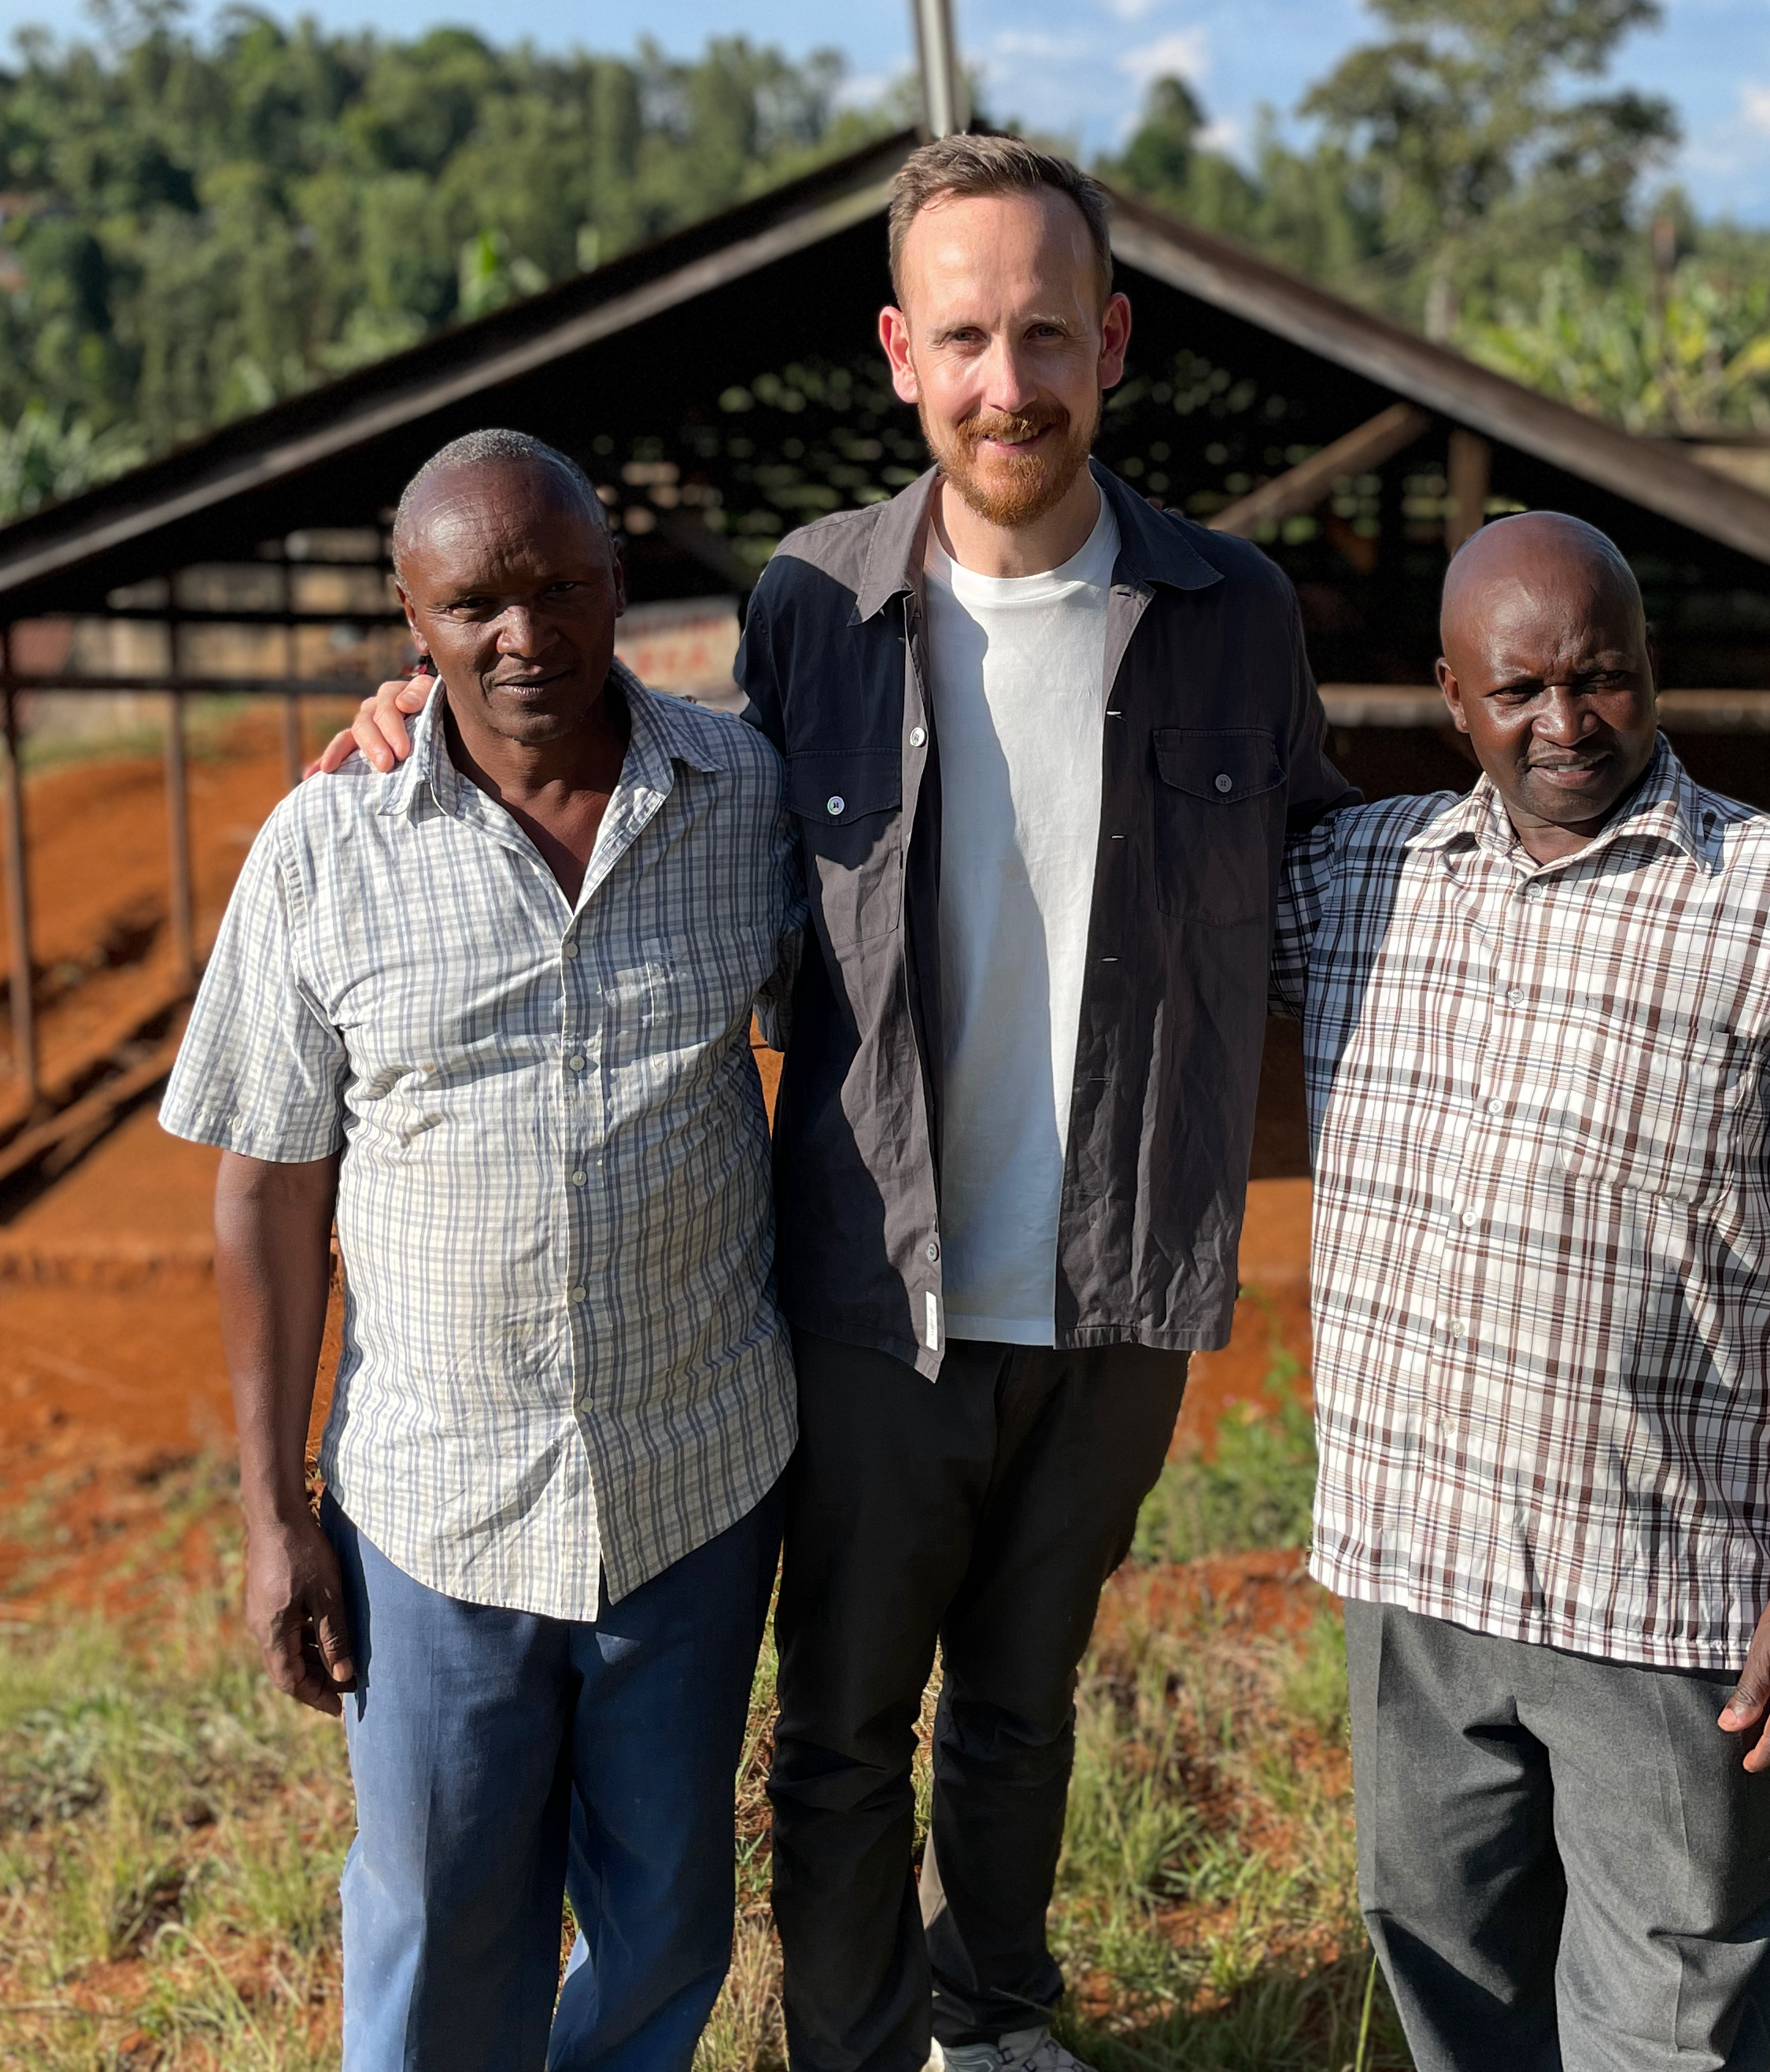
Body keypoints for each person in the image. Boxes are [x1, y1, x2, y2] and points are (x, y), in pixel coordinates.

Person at [317, 138, 1354, 2072]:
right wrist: (423, 716)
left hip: (1121, 1282)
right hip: (877, 1282)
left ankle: (999, 2010)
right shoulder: (815, 603)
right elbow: (643, 757)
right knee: (845, 1722)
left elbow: (1330, 874)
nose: (1006, 379)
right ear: (899, 351)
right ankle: (859, 2049)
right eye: (964, 333)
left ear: (1109, 338)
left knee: (1025, 1696)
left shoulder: (1231, 612)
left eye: (1046, 330)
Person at [1270, 511, 1770, 2071]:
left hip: (1671, 1597)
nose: (1563, 724)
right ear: (1445, 695)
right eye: (1517, 689)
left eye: (1600, 678)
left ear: (1646, 667)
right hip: (1416, 1568)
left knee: (1665, 2025)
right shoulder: (1357, 877)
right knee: (1446, 1973)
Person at [164, 430, 795, 2071]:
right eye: (474, 603)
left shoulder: (743, 801)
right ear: (409, 615)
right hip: (434, 1507)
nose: (524, 635)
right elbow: (268, 1189)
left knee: (668, 1920)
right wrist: (270, 1510)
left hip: (695, 1474)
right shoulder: (326, 846)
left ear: (617, 586)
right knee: (446, 1922)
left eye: (558, 589)